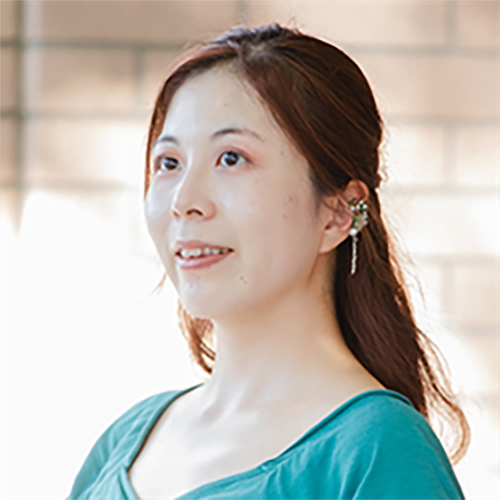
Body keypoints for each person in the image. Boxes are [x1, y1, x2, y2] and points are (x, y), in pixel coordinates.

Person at [68, 23, 470, 499]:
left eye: (232, 158)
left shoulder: (377, 450)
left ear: (339, 213)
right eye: (169, 163)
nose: (184, 201)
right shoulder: (125, 442)